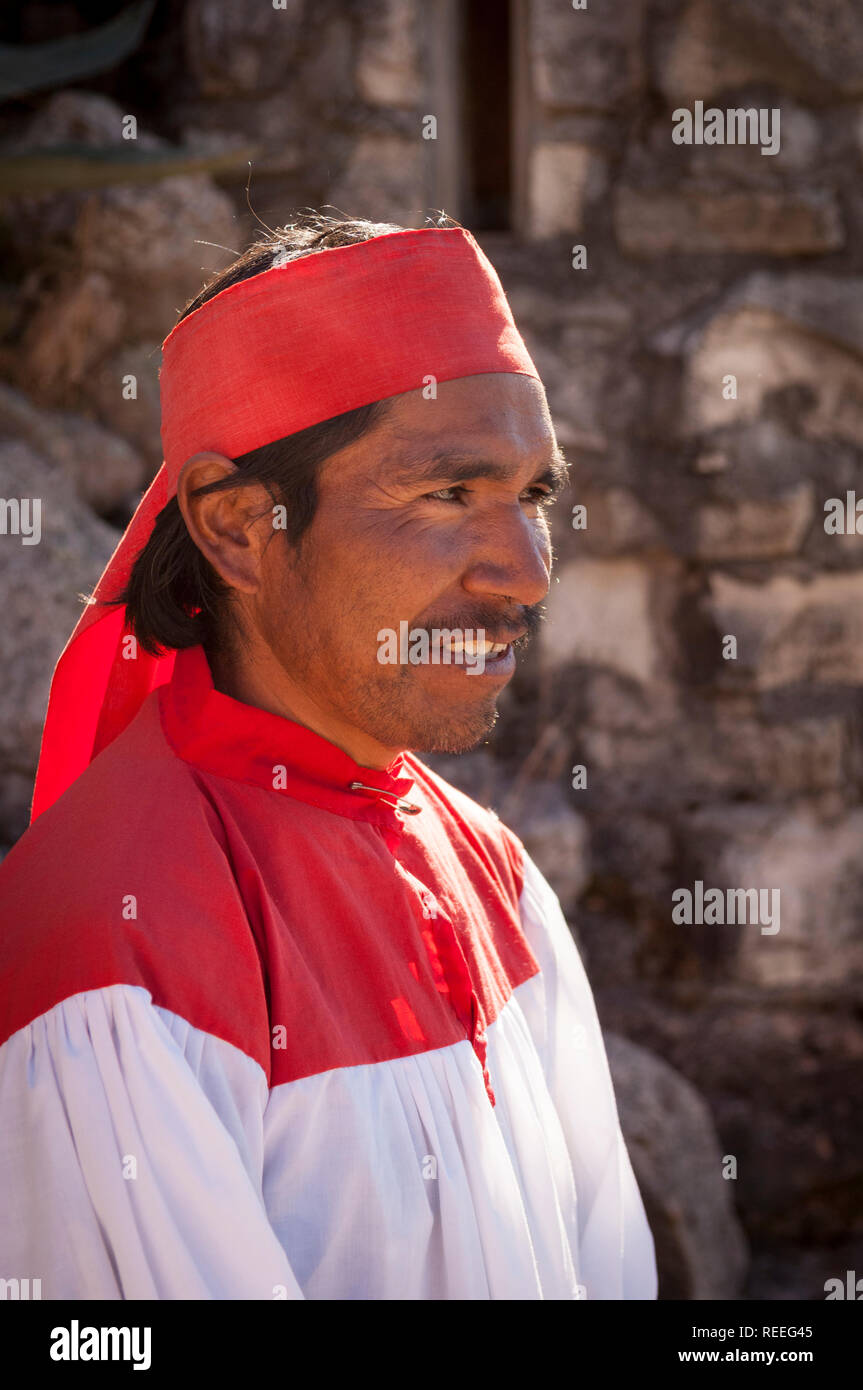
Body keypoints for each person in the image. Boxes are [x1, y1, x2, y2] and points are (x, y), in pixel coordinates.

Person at [0, 211, 657, 1300]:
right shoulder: (113, 952)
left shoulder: (489, 868)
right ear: (236, 526)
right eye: (449, 492)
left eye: (531, 494)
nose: (527, 571)